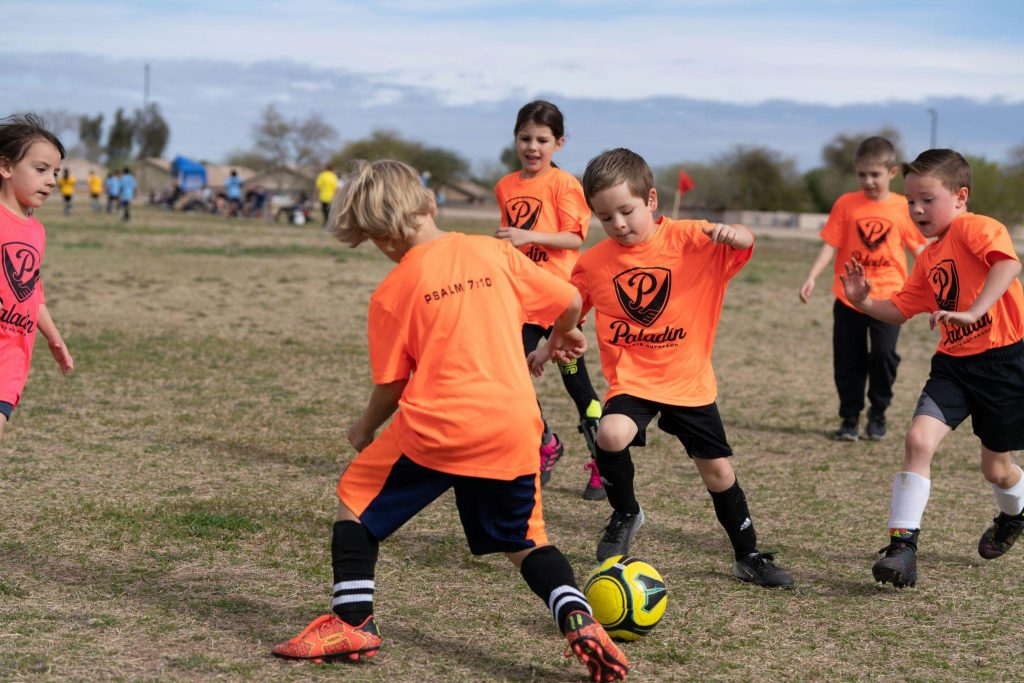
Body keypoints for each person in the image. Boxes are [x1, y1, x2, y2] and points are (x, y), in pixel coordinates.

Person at [271, 159, 628, 681]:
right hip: (512, 425)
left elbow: (392, 387)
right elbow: (570, 299)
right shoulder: (493, 251)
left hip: (436, 430)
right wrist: (559, 338)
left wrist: (363, 428)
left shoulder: (392, 291)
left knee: (355, 501)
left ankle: (352, 621)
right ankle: (575, 613)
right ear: (430, 203)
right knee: (525, 541)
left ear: (379, 238)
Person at [536, 148, 793, 588]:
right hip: (633, 380)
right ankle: (626, 512)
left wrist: (738, 236)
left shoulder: (692, 239)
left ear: (652, 199)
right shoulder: (595, 262)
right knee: (610, 432)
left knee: (717, 472)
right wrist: (550, 345)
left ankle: (748, 555)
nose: (618, 224)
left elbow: (745, 242)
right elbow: (571, 309)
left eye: (627, 211)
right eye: (605, 217)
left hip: (687, 381)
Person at [839, 149, 1024, 588]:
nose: (917, 210)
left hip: (1004, 363)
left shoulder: (976, 228)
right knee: (918, 440)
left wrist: (973, 310)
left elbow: (1009, 264)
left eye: (928, 199)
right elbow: (902, 308)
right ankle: (902, 550)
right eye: (911, 202)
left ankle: (1015, 514)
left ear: (960, 197)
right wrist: (864, 300)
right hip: (953, 368)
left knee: (997, 469)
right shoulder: (927, 257)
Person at [494, 100, 605, 500]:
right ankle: (545, 443)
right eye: (525, 138)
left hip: (561, 301)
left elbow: (575, 238)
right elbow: (511, 240)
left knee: (577, 385)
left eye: (542, 139)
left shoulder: (565, 185)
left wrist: (529, 236)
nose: (532, 147)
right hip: (520, 301)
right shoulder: (505, 186)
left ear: (559, 143)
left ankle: (601, 464)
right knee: (513, 377)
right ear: (516, 139)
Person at [799, 137, 925, 441]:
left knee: (883, 356)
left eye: (875, 174)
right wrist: (812, 275)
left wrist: (935, 283)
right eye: (862, 175)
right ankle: (849, 419)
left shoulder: (902, 207)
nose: (868, 181)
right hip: (849, 298)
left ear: (892, 172)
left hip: (890, 298)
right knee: (848, 360)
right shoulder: (846, 203)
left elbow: (920, 250)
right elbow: (832, 243)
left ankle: (878, 412)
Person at [0, 114, 74, 436]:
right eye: (41, 169)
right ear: (5, 167)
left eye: (55, 173)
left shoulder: (37, 232)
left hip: (12, 358)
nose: (52, 181)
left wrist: (54, 336)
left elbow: (32, 291)